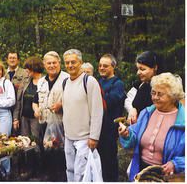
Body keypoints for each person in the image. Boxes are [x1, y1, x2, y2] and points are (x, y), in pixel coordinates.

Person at [119, 72, 185, 181]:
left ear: (173, 96)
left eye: (160, 94)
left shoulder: (183, 122)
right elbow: (133, 136)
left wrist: (176, 164)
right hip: (140, 172)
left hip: (168, 176)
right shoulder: (146, 113)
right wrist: (126, 134)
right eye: (153, 93)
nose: (155, 97)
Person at [62, 49, 103, 182]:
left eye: (73, 62)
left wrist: (94, 137)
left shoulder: (89, 81)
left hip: (84, 138)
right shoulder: (65, 82)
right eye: (67, 63)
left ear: (80, 62)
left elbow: (97, 111)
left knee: (82, 174)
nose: (70, 65)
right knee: (70, 169)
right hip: (68, 136)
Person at [32, 51, 69, 181]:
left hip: (61, 123)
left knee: (61, 152)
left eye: (54, 62)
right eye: (49, 63)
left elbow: (74, 98)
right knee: (46, 151)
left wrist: (61, 104)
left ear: (59, 63)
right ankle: (49, 177)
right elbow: (35, 101)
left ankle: (62, 178)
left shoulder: (67, 78)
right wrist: (36, 110)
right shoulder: (41, 81)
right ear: (44, 65)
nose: (52, 65)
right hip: (44, 122)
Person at [12, 56, 44, 179]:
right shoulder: (25, 81)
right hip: (24, 117)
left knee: (36, 144)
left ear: (34, 68)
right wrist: (16, 118)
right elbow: (18, 102)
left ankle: (39, 170)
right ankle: (29, 168)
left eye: (28, 69)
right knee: (26, 144)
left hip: (37, 119)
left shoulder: (44, 82)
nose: (26, 71)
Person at [97, 54, 126, 182]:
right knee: (98, 159)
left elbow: (109, 102)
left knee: (109, 160)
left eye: (105, 66)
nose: (102, 68)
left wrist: (97, 98)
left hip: (109, 128)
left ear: (113, 67)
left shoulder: (118, 83)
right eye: (100, 65)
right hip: (97, 127)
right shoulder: (99, 81)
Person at [125, 51, 159, 124]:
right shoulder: (142, 85)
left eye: (142, 69)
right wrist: (132, 109)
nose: (138, 73)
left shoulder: (164, 87)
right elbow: (129, 99)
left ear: (155, 68)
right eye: (138, 69)